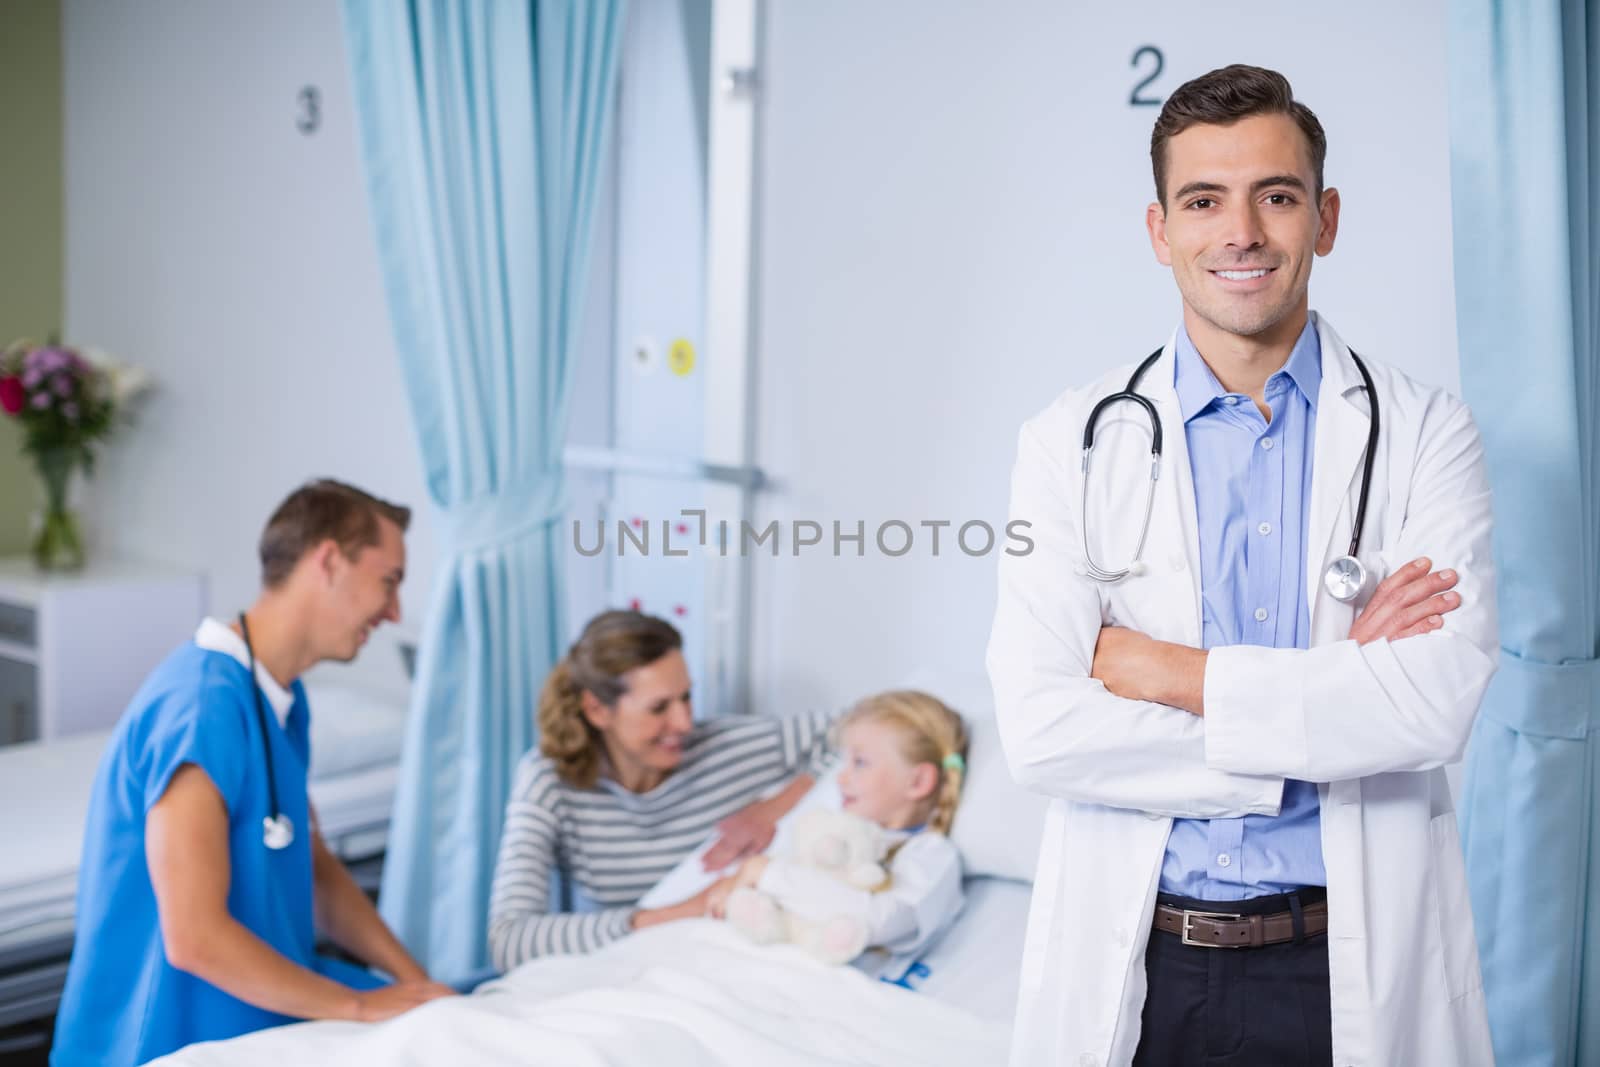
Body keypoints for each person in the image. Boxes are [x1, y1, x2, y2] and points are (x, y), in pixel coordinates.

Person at [987, 65, 1497, 1066]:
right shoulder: (1069, 443)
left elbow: (1431, 706)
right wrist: (1322, 714)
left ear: (1325, 216)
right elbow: (1042, 730)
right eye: (1204, 200)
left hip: (1339, 958)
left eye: (1276, 194)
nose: (1242, 231)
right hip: (1142, 960)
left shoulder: (1426, 432)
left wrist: (1162, 671)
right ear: (1159, 230)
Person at [50, 480, 453, 1067]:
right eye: (389, 581)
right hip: (166, 1039)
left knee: (450, 1032)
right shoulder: (201, 706)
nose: (393, 611)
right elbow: (193, 937)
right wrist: (360, 1007)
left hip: (257, 1015)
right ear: (329, 560)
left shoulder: (278, 700)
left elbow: (313, 870)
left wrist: (420, 987)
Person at [487, 609, 834, 971]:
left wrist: (772, 809)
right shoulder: (550, 782)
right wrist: (685, 912)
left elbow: (863, 727)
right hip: (632, 970)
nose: (684, 722)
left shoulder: (731, 747)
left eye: (686, 697)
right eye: (659, 708)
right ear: (597, 710)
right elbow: (509, 939)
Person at [709, 689, 968, 962]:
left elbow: (878, 919)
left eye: (860, 762)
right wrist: (741, 887)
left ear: (917, 781)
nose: (841, 778)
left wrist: (765, 874)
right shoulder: (832, 835)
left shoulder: (932, 854)